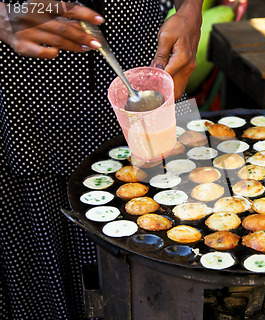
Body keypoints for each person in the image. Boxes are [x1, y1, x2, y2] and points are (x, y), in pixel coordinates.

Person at [0, 0, 202, 319]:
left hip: (145, 54)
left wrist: (191, 9)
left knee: (182, 217)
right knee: (52, 273)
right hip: (32, 76)